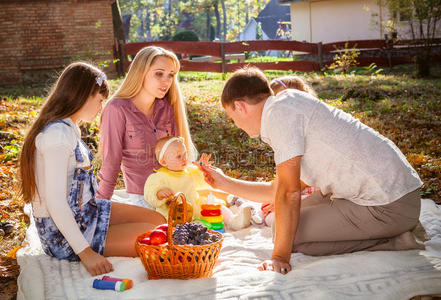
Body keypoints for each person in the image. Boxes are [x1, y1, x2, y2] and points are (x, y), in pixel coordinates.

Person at [199, 67, 423, 275]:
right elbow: (277, 189)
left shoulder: (278, 116)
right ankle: (390, 231)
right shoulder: (287, 103)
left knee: (289, 235)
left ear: (240, 106)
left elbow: (289, 193)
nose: (235, 123)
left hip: (388, 205)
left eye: (232, 116)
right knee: (283, 222)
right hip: (396, 193)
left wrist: (279, 257)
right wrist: (223, 183)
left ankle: (396, 239)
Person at [19, 62, 165, 277]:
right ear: (83, 95)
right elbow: (55, 203)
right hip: (63, 236)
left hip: (87, 213)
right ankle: (87, 246)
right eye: (99, 100)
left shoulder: (70, 128)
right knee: (156, 237)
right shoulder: (57, 136)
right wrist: (86, 253)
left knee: (159, 222)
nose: (101, 107)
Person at [97, 46, 197, 207]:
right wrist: (99, 207)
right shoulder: (116, 109)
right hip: (143, 196)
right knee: (160, 226)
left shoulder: (168, 108)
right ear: (141, 73)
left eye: (170, 75)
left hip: (175, 192)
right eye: (159, 73)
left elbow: (180, 154)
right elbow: (111, 163)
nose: (166, 81)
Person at [144, 136, 252, 231]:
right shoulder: (159, 177)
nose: (184, 159)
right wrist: (159, 193)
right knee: (174, 226)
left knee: (214, 206)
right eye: (178, 156)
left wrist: (203, 170)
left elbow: (203, 182)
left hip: (196, 212)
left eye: (185, 154)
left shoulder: (189, 171)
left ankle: (234, 221)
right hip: (174, 218)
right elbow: (149, 192)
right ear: (163, 162)